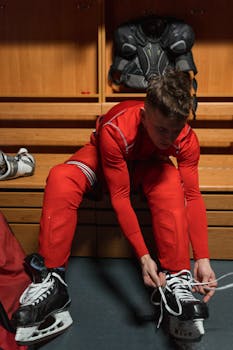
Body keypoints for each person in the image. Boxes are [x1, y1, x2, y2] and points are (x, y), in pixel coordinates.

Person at [12, 69, 217, 344]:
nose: (169, 138)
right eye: (161, 129)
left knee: (170, 181)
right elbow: (119, 195)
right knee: (61, 178)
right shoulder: (116, 128)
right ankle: (52, 282)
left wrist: (202, 257)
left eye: (175, 129)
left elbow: (192, 196)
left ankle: (177, 282)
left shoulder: (186, 138)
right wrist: (144, 256)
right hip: (107, 161)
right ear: (144, 116)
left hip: (148, 167)